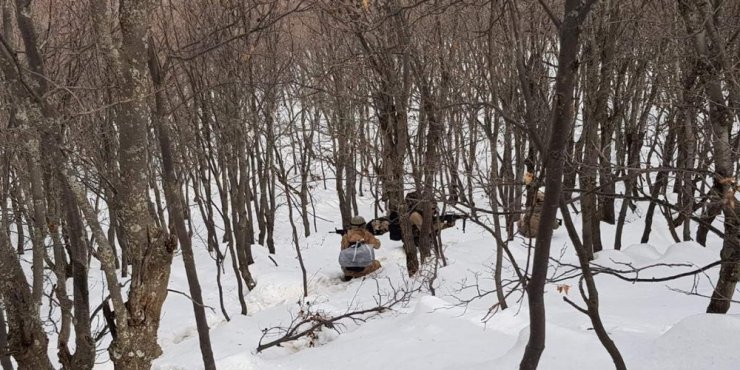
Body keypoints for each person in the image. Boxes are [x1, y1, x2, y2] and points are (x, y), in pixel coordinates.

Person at [339, 216, 381, 281]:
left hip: (347, 269)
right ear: (362, 225)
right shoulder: (366, 235)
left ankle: (349, 275)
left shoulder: (346, 236)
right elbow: (377, 246)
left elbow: (343, 250)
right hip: (363, 268)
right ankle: (359, 274)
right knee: (377, 263)